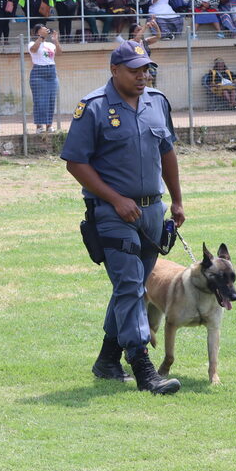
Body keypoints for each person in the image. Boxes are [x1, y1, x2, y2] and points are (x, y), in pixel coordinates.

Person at [60, 41, 184, 395]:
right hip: (112, 212)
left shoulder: (157, 102)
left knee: (132, 286)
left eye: (146, 69)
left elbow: (167, 152)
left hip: (153, 211)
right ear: (114, 70)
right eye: (134, 70)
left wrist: (177, 200)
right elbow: (75, 163)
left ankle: (107, 360)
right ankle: (144, 369)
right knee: (130, 285)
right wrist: (115, 200)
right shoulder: (94, 107)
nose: (142, 76)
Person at [28, 25, 61, 133]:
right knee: (40, 101)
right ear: (38, 32)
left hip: (51, 72)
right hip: (39, 72)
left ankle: (49, 125)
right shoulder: (32, 43)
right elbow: (33, 50)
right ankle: (39, 127)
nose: (46, 30)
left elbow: (59, 53)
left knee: (51, 100)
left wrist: (56, 41)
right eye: (43, 29)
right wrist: (41, 37)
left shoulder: (50, 45)